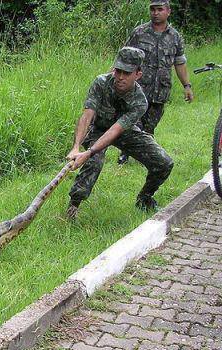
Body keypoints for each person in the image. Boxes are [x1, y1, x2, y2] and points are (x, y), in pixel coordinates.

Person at [66, 46, 174, 219]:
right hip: (98, 129)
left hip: (125, 132)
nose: (120, 77)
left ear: (138, 74)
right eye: (118, 71)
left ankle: (145, 198)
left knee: (164, 162)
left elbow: (117, 129)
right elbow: (87, 116)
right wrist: (77, 147)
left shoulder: (140, 101)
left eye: (127, 73)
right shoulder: (101, 83)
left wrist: (89, 151)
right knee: (94, 161)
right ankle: (74, 205)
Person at [118, 0, 193, 165]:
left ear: (168, 11)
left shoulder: (175, 37)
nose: (156, 13)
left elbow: (179, 63)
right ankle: (126, 152)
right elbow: (124, 58)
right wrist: (115, 79)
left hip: (160, 90)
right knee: (132, 122)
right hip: (138, 88)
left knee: (150, 127)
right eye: (153, 9)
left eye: (160, 9)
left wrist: (187, 86)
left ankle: (146, 156)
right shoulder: (139, 32)